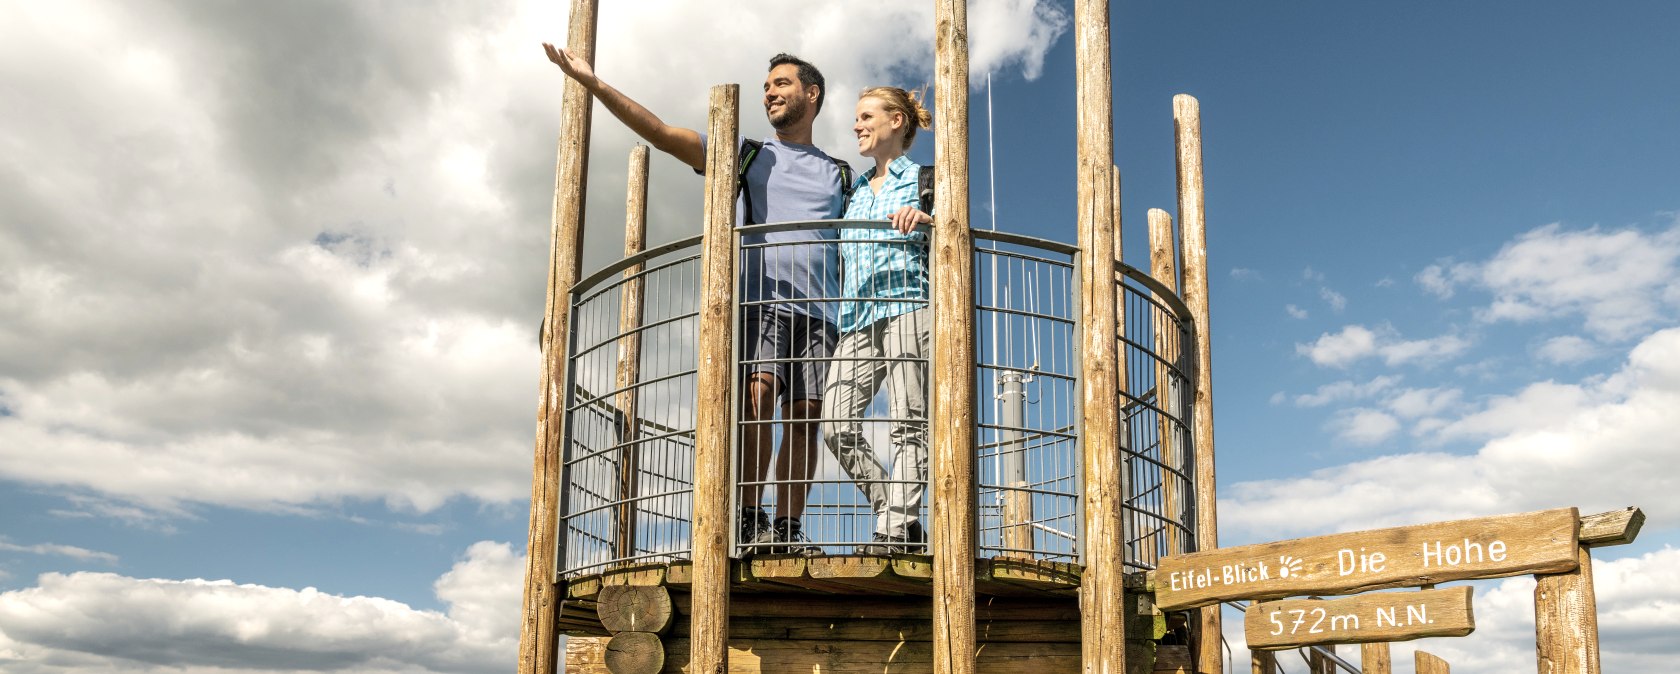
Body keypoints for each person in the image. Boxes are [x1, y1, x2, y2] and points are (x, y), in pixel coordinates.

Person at [542, 45, 848, 554]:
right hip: (762, 303)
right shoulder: (748, 153)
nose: (769, 92)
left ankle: (788, 530)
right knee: (756, 402)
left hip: (821, 314)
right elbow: (663, 135)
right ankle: (750, 520)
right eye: (766, 86)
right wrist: (594, 83)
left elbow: (885, 207)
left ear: (811, 94)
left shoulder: (840, 173)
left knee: (806, 419)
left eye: (781, 83)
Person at [821, 87, 934, 555]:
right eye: (857, 117)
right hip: (857, 318)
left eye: (866, 116)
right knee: (835, 424)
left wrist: (927, 219)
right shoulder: (853, 191)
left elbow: (954, 237)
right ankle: (894, 510)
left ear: (897, 122)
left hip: (910, 306)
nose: (856, 125)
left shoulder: (927, 178)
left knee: (910, 424)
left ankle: (894, 531)